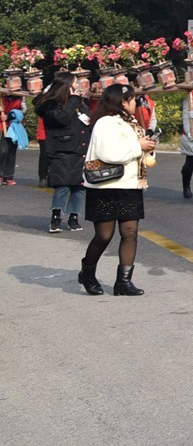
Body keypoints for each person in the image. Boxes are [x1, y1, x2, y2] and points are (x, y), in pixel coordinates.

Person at [78, 84, 158, 297]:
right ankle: (87, 273)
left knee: (130, 232)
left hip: (129, 185)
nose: (135, 103)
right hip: (106, 186)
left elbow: (135, 152)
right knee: (104, 235)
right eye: (132, 99)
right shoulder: (105, 123)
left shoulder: (131, 122)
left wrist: (148, 148)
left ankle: (123, 282)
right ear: (122, 101)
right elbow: (108, 154)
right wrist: (138, 146)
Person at [37, 76, 91, 233]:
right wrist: (74, 99)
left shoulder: (79, 102)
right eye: (75, 83)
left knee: (79, 186)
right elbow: (62, 118)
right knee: (62, 185)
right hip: (62, 151)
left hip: (81, 150)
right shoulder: (50, 105)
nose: (77, 86)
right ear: (66, 85)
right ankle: (56, 216)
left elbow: (89, 120)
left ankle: (74, 216)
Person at [2, 91, 25, 185]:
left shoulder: (20, 97)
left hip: (14, 127)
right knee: (3, 151)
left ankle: (8, 176)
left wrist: (9, 116)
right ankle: (0, 174)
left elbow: (24, 111)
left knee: (12, 151)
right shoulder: (2, 96)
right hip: (2, 127)